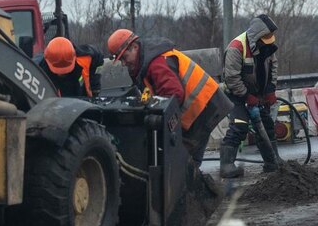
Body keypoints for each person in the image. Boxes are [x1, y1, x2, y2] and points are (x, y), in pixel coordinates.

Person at [107, 28, 232, 164]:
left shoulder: (156, 63)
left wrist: (158, 120)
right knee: (185, 158)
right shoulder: (147, 63)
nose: (124, 64)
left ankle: (190, 181)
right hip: (204, 105)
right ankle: (193, 180)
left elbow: (173, 94)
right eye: (121, 61)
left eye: (124, 58)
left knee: (183, 158)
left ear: (135, 47)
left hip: (204, 108)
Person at [218, 14, 281, 178]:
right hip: (235, 95)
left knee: (266, 124)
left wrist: (270, 89)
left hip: (256, 94)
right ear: (257, 36)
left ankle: (272, 162)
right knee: (240, 126)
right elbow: (231, 78)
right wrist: (246, 96)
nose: (268, 41)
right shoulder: (236, 48)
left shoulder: (267, 48)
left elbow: (273, 67)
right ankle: (226, 165)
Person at [37, 35, 104, 99]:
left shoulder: (86, 57)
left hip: (82, 100)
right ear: (47, 60)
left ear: (74, 57)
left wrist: (94, 81)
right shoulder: (39, 70)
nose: (62, 74)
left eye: (65, 70)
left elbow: (99, 58)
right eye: (58, 71)